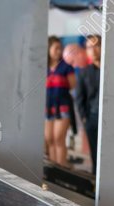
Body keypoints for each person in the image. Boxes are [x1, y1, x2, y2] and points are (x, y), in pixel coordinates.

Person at [45, 36, 76, 167]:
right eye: (55, 48)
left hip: (63, 107)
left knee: (59, 139)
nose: (58, 51)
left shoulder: (66, 67)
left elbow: (73, 85)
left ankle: (61, 168)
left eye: (60, 48)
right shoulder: (44, 67)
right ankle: (53, 171)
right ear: (48, 49)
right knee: (50, 140)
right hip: (47, 107)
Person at [76, 34, 102, 175]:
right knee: (95, 153)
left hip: (110, 118)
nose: (93, 50)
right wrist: (84, 118)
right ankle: (95, 182)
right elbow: (79, 97)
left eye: (96, 45)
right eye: (89, 47)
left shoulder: (112, 70)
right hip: (92, 117)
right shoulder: (84, 73)